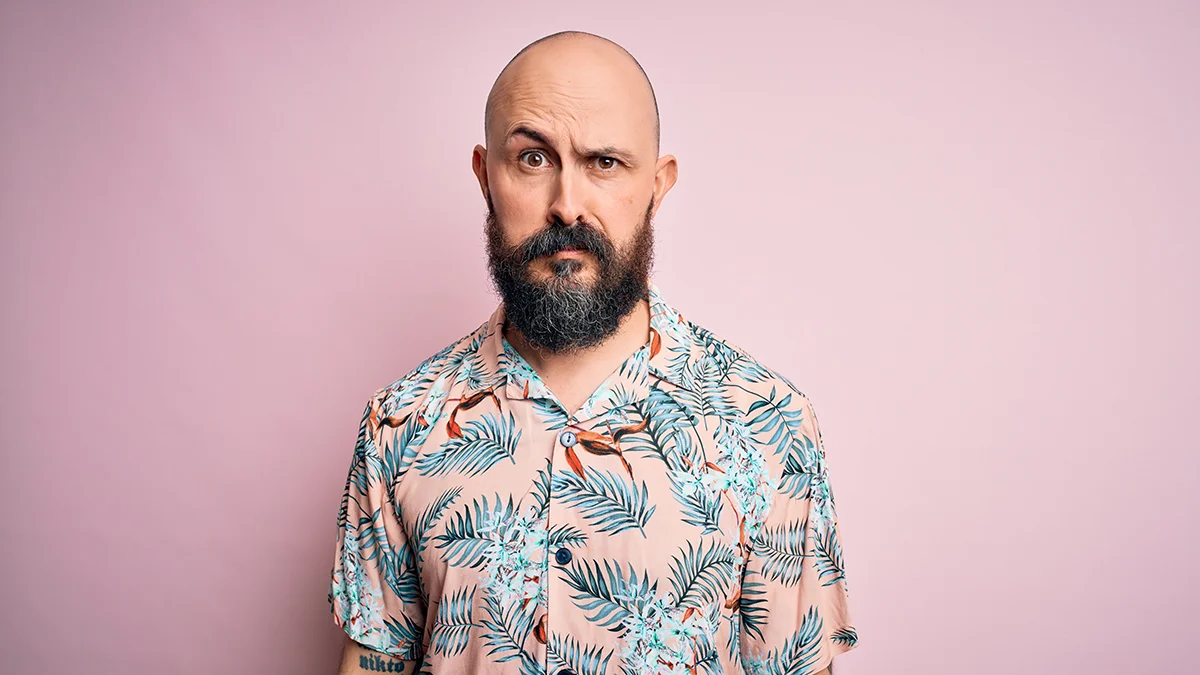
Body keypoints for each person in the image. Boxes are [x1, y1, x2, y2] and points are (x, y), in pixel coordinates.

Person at [329, 30, 859, 675]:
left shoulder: (768, 425)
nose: (566, 205)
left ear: (658, 185)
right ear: (484, 175)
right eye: (531, 159)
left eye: (605, 162)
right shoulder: (400, 424)